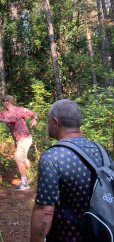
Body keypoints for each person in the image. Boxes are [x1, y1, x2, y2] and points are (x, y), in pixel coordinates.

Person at [30, 99, 105, 241]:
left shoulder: (52, 157)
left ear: (54, 122)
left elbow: (45, 211)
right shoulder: (100, 150)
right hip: (100, 234)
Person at [0, 95, 38, 190]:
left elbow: (34, 113)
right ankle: (32, 172)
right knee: (23, 158)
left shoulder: (19, 110)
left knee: (18, 158)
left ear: (8, 102)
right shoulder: (4, 113)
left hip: (25, 138)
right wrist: (2, 120)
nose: (2, 103)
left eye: (3, 101)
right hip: (18, 139)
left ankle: (24, 183)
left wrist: (35, 119)